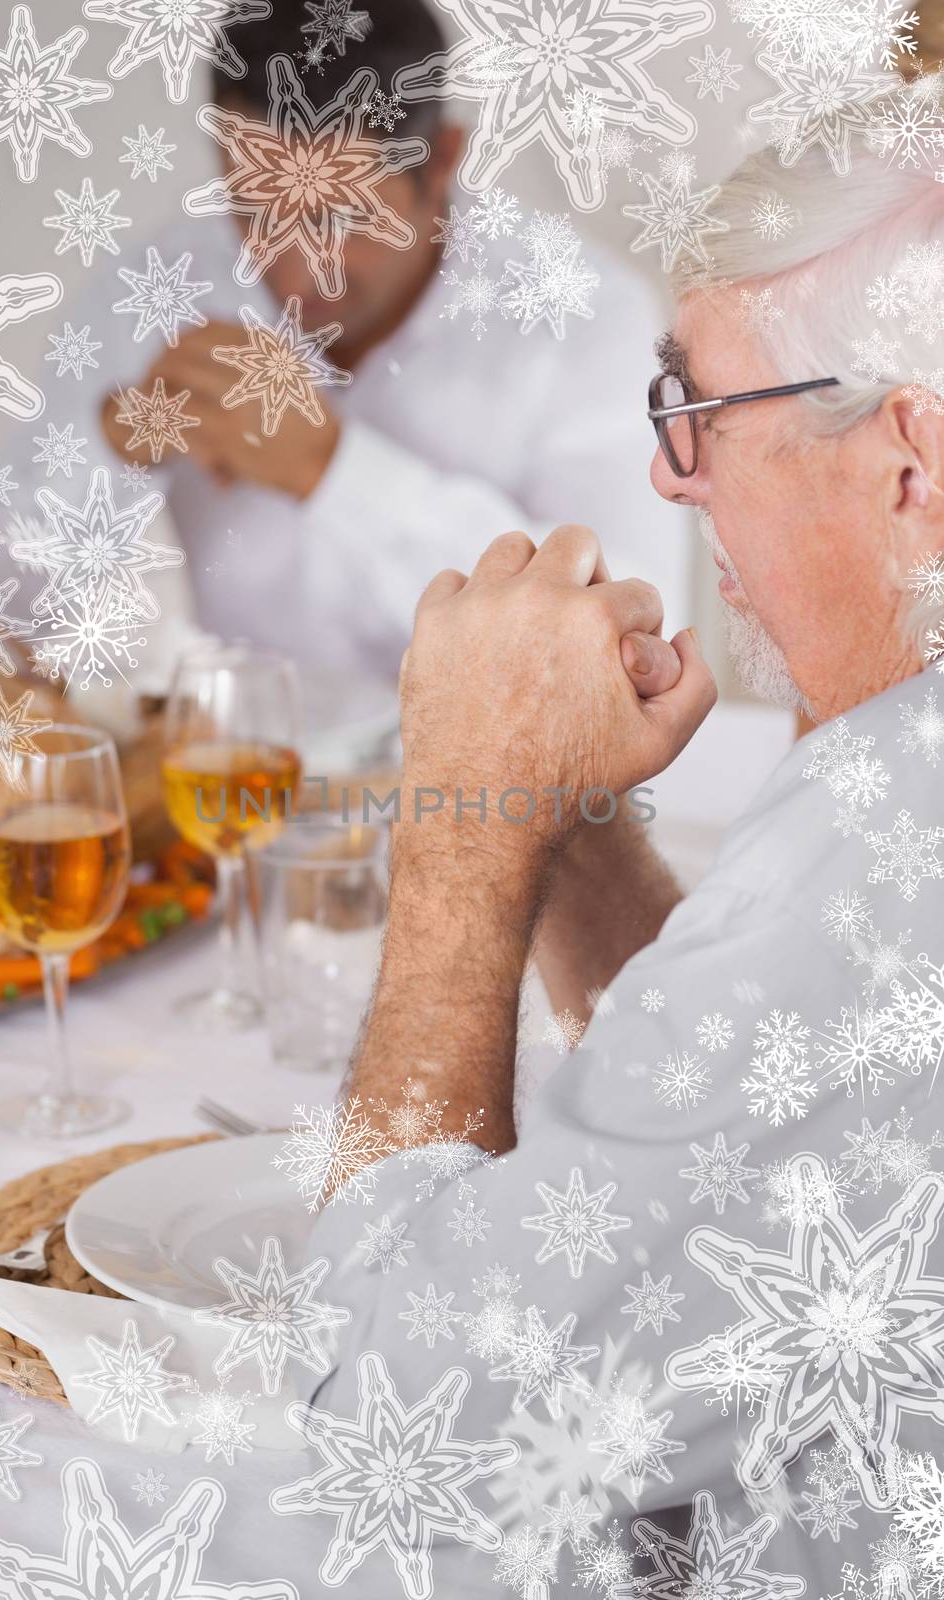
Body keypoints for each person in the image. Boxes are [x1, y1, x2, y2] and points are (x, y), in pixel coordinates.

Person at [268, 130, 944, 1595]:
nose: (668, 472)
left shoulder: (894, 833)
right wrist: (554, 818)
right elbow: (732, 1175)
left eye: (700, 407)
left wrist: (460, 818)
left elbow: (395, 1427)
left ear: (913, 461)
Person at [0, 0, 687, 681]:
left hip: (505, 783)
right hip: (236, 772)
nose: (295, 271)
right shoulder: (155, 289)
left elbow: (635, 638)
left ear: (440, 161)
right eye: (255, 210)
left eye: (343, 218)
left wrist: (330, 468)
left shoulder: (584, 314)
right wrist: (107, 451)